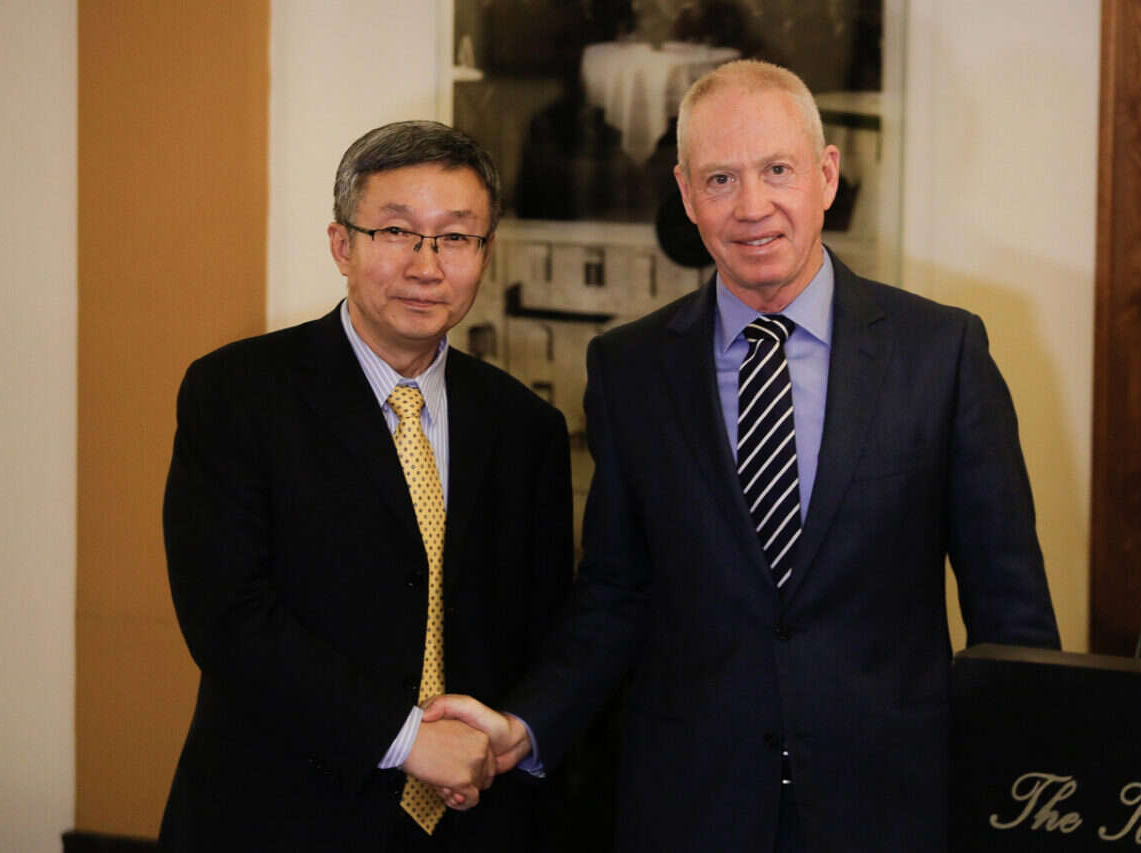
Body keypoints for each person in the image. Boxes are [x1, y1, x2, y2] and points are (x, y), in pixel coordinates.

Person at [426, 60, 1061, 851]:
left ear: (826, 176)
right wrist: (524, 724)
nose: (752, 206)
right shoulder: (629, 369)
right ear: (687, 194)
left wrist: (1023, 804)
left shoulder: (943, 353)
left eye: (777, 170)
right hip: (692, 809)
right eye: (721, 179)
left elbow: (1011, 617)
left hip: (892, 811)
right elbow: (614, 595)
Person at [158, 121, 573, 852]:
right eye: (396, 232)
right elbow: (229, 618)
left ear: (484, 253)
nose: (425, 265)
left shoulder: (526, 427)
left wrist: (515, 734)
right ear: (341, 245)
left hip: (473, 821)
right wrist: (404, 737)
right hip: (277, 819)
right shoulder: (237, 393)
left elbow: (544, 633)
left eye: (455, 237)